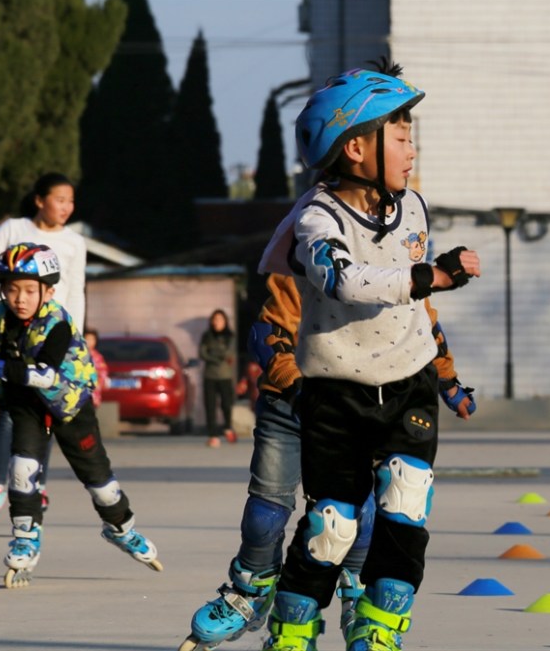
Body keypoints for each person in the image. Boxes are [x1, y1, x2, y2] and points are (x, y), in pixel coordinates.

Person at [256, 62, 481, 651]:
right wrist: (427, 274)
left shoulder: (412, 207)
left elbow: (416, 306)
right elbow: (345, 279)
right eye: (402, 138)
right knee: (333, 528)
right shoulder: (316, 218)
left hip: (408, 381)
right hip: (335, 392)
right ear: (356, 147)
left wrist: (447, 375)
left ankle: (379, 633)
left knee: (407, 510)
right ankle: (292, 629)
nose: (413, 151)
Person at [177, 273, 476, 651]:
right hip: (290, 402)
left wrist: (447, 380)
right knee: (265, 512)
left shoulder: (395, 264)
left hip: (357, 404)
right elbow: (267, 332)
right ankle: (251, 589)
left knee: (352, 514)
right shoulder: (307, 256)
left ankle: (358, 592)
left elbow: (423, 326)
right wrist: (300, 389)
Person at [0, 242, 162, 588]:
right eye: (11, 289)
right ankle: (26, 537)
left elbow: (46, 374)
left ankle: (121, 529)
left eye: (30, 290)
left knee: (100, 484)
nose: (20, 298)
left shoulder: (57, 323)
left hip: (70, 406)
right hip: (27, 405)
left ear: (49, 290)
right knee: (21, 470)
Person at [0, 173, 86, 533]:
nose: (66, 207)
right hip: (14, 330)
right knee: (9, 405)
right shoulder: (14, 228)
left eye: (71, 201)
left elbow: (77, 292)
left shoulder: (74, 242)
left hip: (54, 334)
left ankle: (36, 483)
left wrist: (76, 340)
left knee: (48, 409)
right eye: (60, 200)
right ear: (40, 200)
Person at [199, 309, 238, 448]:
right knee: (210, 406)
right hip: (209, 375)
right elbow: (202, 353)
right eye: (214, 320)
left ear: (225, 321)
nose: (216, 322)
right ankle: (213, 435)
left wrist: (213, 354)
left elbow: (228, 353)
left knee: (227, 404)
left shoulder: (230, 336)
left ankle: (227, 427)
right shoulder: (206, 336)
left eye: (220, 320)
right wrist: (217, 356)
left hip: (225, 376)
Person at [84, 329, 110, 408]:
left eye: (92, 339)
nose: (89, 341)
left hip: (93, 395)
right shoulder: (78, 354)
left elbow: (103, 373)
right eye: (87, 339)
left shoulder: (97, 357)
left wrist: (97, 385)